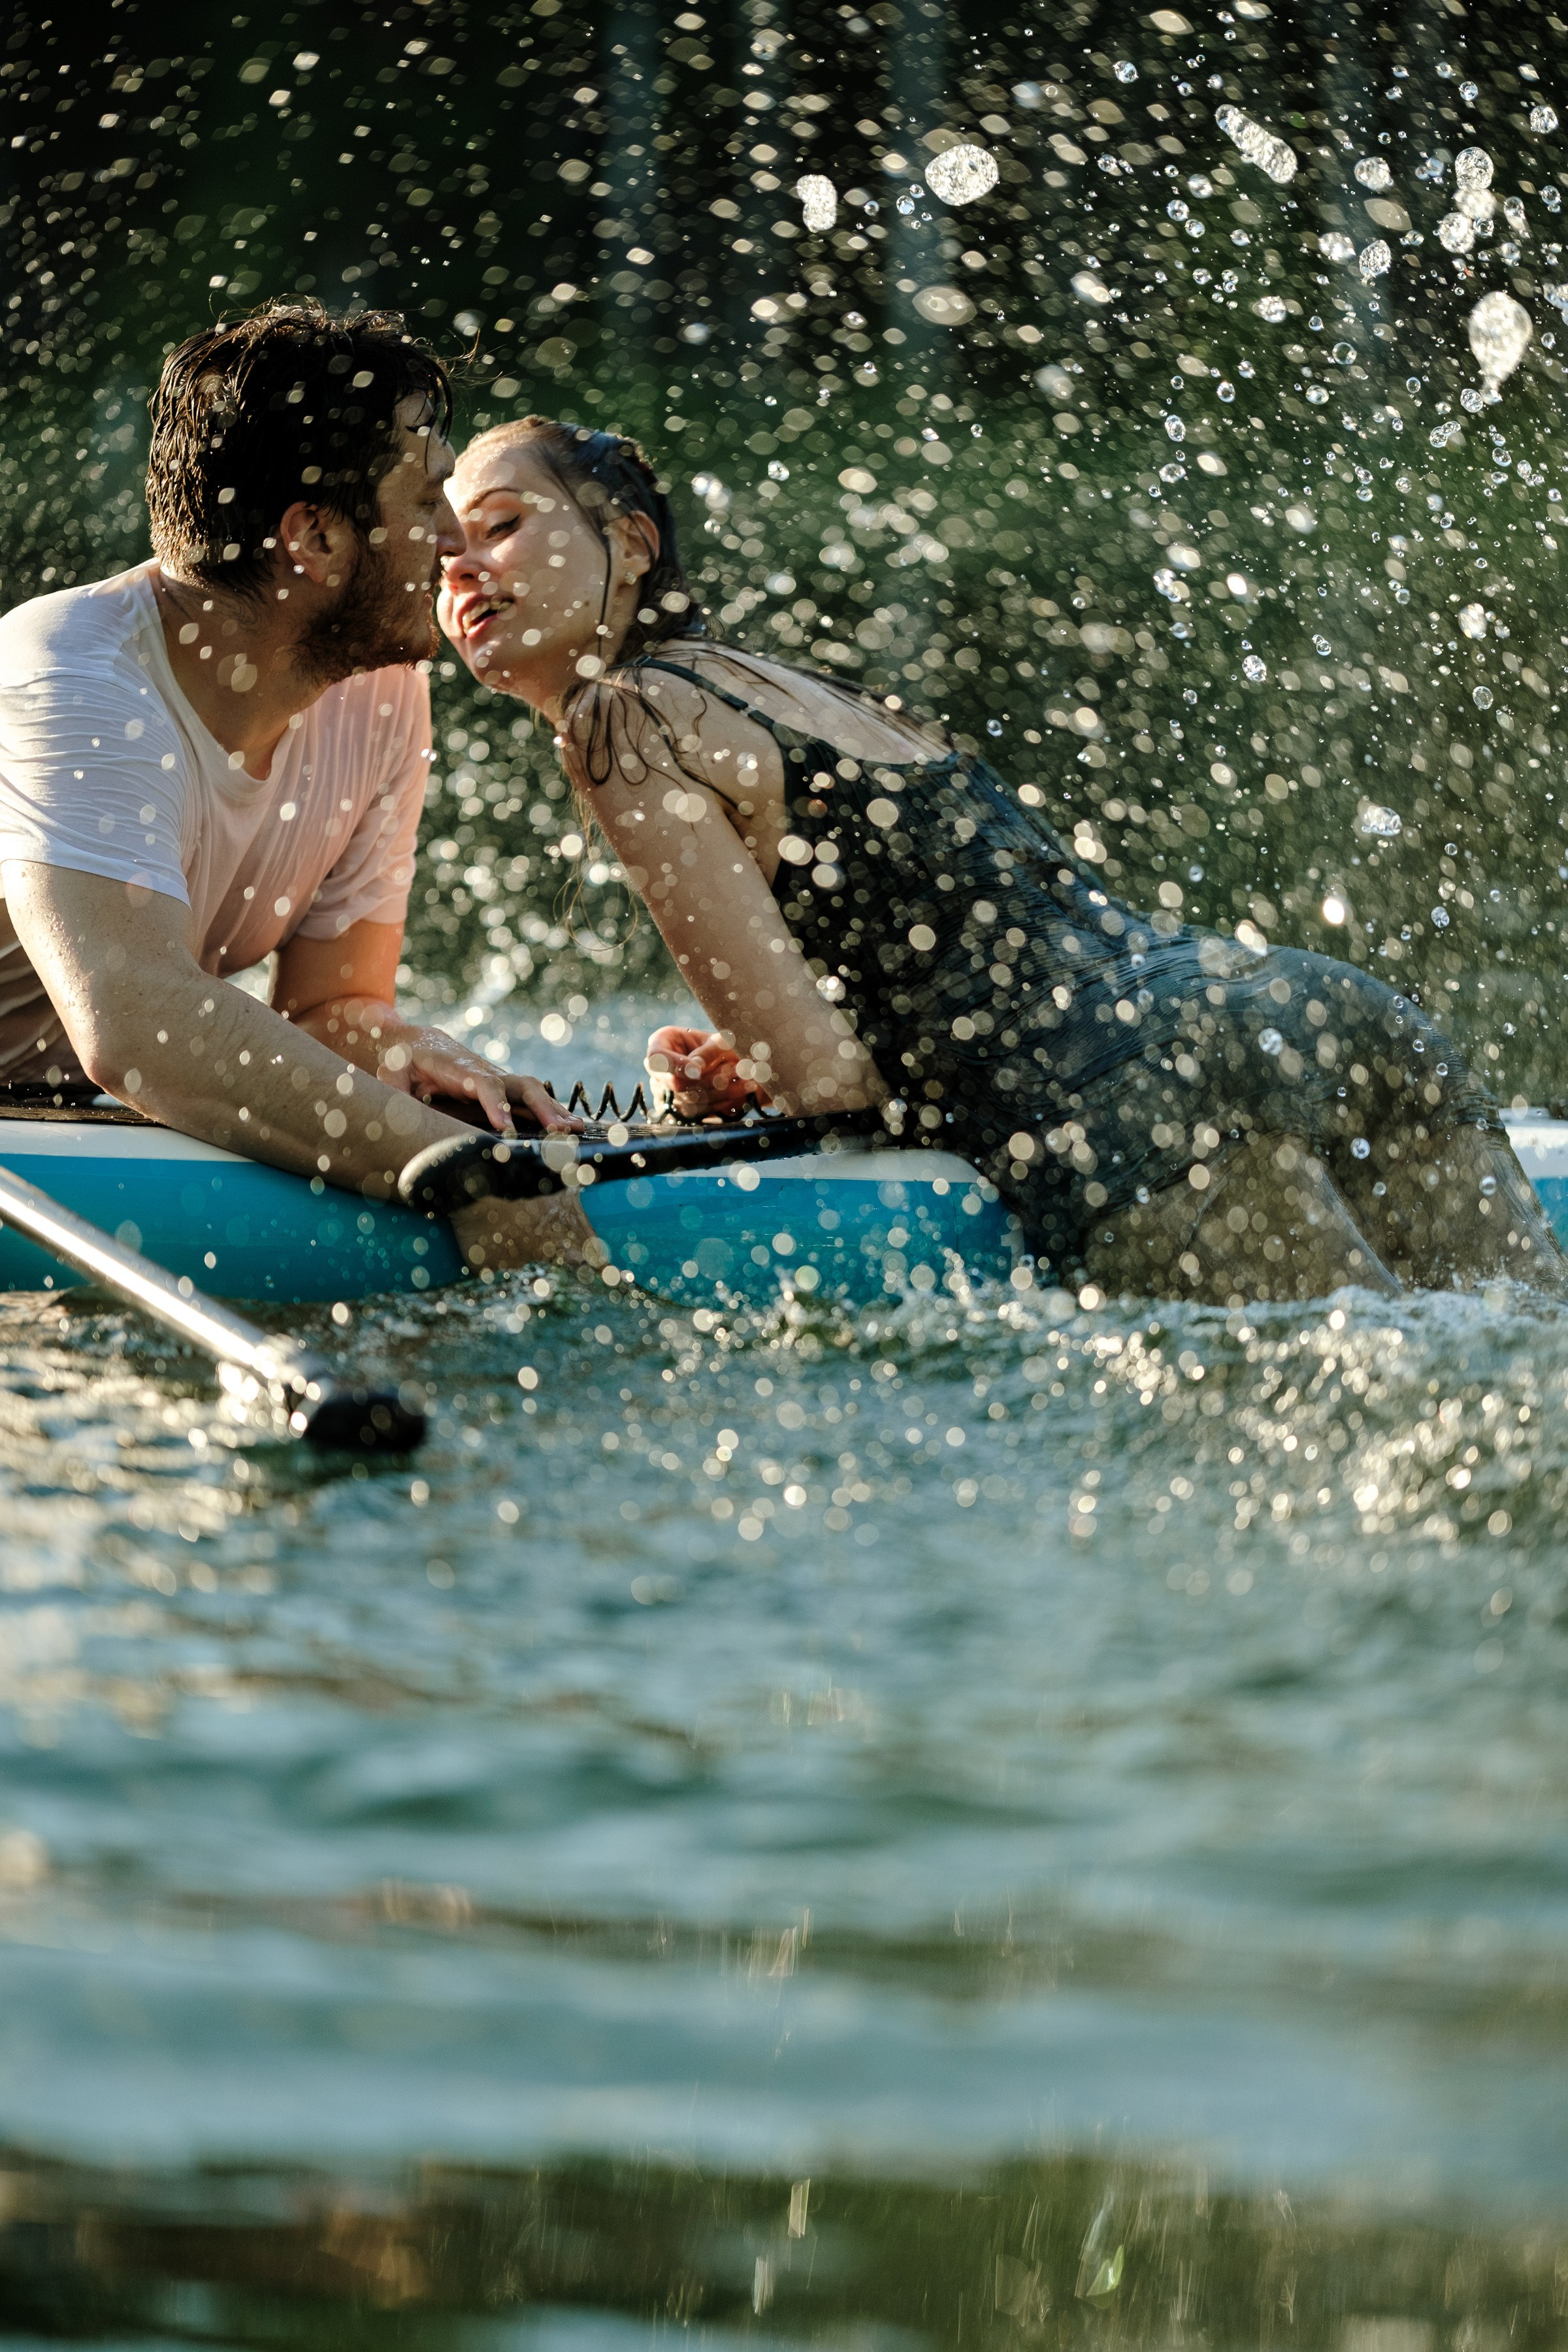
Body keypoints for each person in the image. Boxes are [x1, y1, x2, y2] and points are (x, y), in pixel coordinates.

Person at [435, 411, 1567, 1306]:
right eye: (444, 552)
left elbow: (826, 1077)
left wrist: (764, 1075)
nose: (464, 571)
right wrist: (775, 1054)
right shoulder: (786, 685)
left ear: (629, 543)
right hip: (1300, 1007)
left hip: (1137, 1098)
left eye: (500, 526)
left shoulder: (619, 721)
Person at [0, 302, 589, 1277]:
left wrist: (402, 1058)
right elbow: (136, 1025)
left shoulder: (383, 696)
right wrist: (458, 1173)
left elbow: (331, 1007)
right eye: (425, 501)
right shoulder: (67, 680)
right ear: (313, 538)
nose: (451, 538)